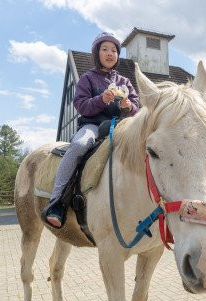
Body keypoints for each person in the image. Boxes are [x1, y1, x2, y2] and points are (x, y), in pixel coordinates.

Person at [43, 32, 139, 228]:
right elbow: (81, 105)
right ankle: (57, 201)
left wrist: (128, 106)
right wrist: (101, 99)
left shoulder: (125, 82)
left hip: (119, 126)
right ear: (97, 53)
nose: (110, 53)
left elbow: (136, 107)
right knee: (79, 145)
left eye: (114, 50)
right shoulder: (88, 78)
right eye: (105, 49)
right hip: (92, 125)